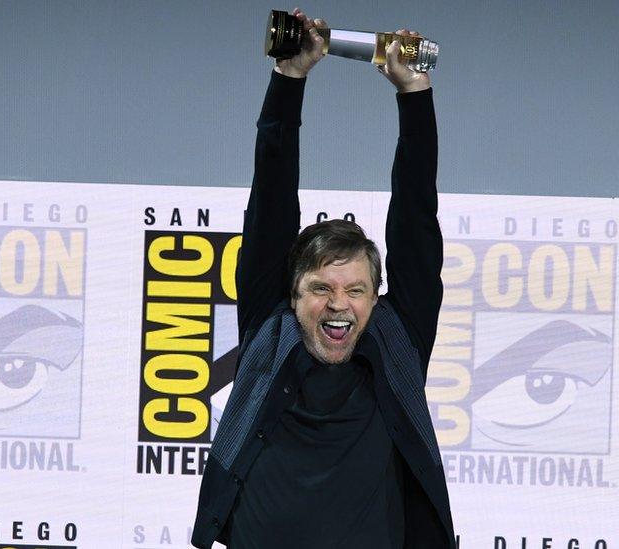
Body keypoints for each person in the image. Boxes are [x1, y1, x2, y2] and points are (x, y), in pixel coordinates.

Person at [191, 8, 455, 549]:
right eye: (321, 288)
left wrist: (414, 93)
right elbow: (270, 204)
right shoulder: (271, 327)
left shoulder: (397, 339)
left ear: (375, 298)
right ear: (293, 294)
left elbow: (415, 218)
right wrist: (289, 79)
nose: (339, 305)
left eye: (356, 290)